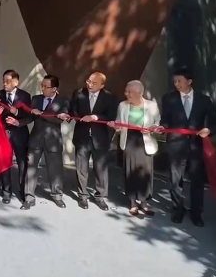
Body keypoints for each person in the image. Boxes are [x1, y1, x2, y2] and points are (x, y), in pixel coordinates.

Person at [159, 68, 216, 227]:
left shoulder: (203, 100)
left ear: (189, 81)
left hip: (196, 145)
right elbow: (165, 120)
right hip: (175, 144)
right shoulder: (168, 98)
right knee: (175, 179)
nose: (176, 84)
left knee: (197, 180)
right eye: (175, 81)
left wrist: (209, 130)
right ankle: (178, 209)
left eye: (179, 81)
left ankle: (196, 212)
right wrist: (162, 127)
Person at [69, 72, 119, 210]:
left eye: (94, 83)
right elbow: (72, 110)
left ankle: (100, 197)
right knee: (81, 169)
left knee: (101, 169)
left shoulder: (109, 97)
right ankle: (82, 196)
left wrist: (95, 117)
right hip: (82, 137)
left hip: (100, 138)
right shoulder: (79, 93)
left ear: (102, 85)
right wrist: (78, 116)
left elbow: (111, 116)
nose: (89, 85)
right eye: (88, 81)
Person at [110, 80, 161, 217]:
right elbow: (119, 124)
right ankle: (132, 202)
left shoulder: (151, 105)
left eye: (130, 92)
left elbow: (158, 123)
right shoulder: (122, 105)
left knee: (145, 172)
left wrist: (153, 129)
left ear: (140, 93)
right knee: (130, 171)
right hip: (129, 140)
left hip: (145, 140)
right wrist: (115, 126)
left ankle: (144, 203)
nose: (126, 94)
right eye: (126, 91)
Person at [27, 74, 69, 209]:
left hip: (53, 141)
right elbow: (30, 117)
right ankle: (29, 197)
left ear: (54, 89)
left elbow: (58, 119)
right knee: (31, 169)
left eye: (46, 86)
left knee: (55, 170)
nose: (43, 88)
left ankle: (57, 196)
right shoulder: (36, 99)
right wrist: (17, 120)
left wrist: (40, 113)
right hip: (35, 139)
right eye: (42, 85)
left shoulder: (63, 101)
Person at [0, 69, 33, 205]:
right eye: (3, 81)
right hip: (3, 133)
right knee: (5, 162)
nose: (5, 83)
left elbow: (30, 116)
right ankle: (6, 192)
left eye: (8, 81)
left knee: (22, 162)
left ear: (16, 82)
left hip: (20, 133)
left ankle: (23, 191)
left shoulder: (25, 96)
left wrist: (18, 119)